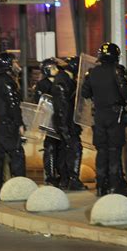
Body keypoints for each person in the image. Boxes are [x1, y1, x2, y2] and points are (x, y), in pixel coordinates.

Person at [82, 43, 127, 197]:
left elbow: (85, 93)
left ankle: (101, 186)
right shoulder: (117, 70)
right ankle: (115, 185)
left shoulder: (92, 72)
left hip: (99, 116)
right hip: (115, 116)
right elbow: (125, 91)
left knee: (101, 151)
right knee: (114, 150)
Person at [0, 52, 26, 198]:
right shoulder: (7, 81)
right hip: (7, 124)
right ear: (9, 64)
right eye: (15, 62)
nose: (18, 65)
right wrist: (20, 123)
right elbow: (13, 105)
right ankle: (20, 188)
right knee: (16, 154)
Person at [52, 56, 87, 191]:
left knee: (65, 149)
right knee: (74, 149)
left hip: (65, 122)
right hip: (66, 122)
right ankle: (73, 179)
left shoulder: (65, 79)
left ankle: (65, 180)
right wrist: (66, 127)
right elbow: (63, 107)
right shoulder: (63, 80)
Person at [34, 58, 62, 186]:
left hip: (61, 119)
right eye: (52, 67)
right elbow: (39, 102)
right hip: (48, 120)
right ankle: (50, 176)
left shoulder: (61, 81)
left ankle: (62, 174)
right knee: (50, 147)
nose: (56, 70)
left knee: (62, 148)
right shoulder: (42, 84)